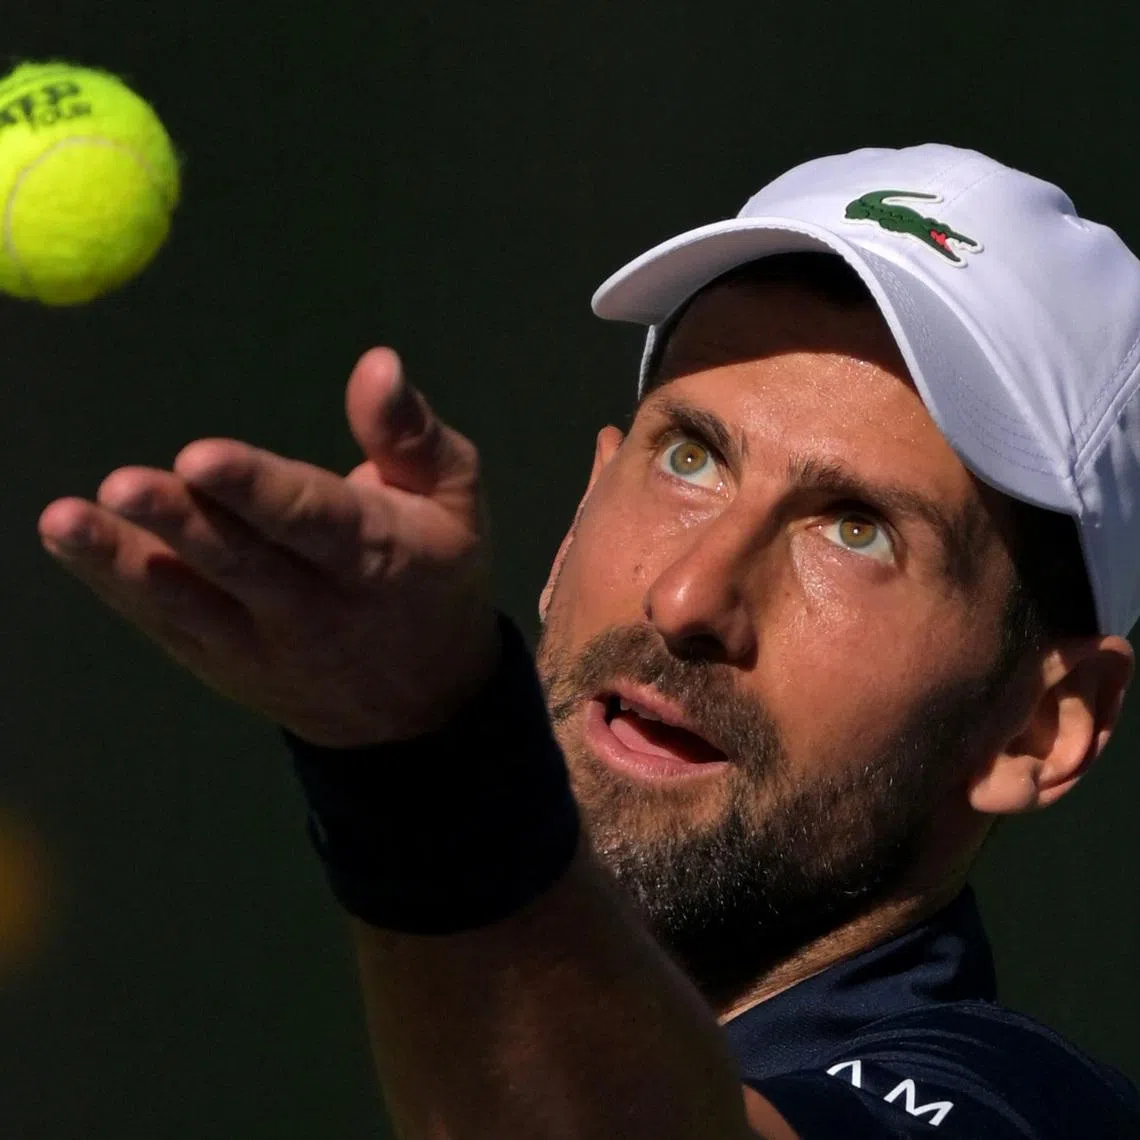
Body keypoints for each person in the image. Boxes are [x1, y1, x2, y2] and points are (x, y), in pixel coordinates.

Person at [37, 143, 1140, 1138]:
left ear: (1040, 728)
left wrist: (419, 759)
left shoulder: (1028, 1113)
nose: (688, 597)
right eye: (691, 459)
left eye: (857, 531)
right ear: (578, 517)